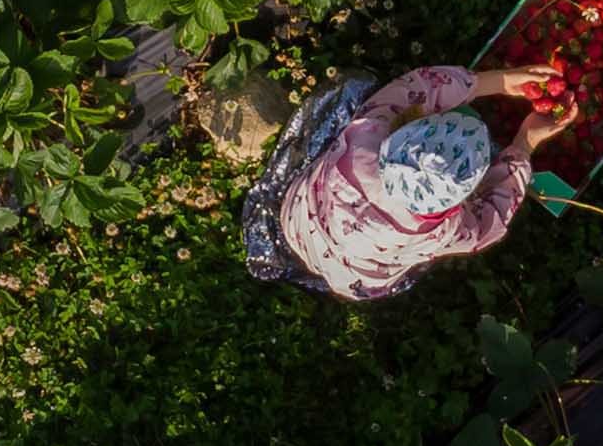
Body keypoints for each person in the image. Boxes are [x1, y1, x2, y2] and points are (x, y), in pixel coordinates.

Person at [240, 64, 572, 301]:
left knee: (357, 86)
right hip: (355, 280)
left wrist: (496, 81)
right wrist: (524, 144)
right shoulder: (442, 233)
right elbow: (492, 222)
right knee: (404, 270)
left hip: (298, 221)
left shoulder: (365, 138)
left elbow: (419, 86)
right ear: (459, 200)